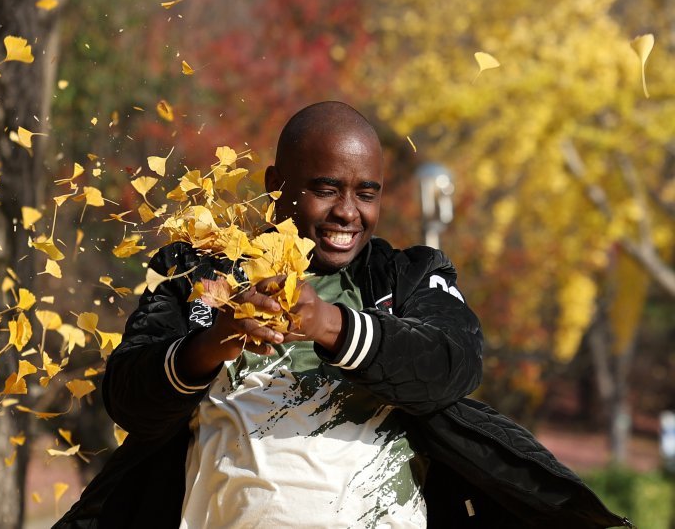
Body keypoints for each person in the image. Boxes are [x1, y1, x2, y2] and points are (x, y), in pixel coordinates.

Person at [56, 102, 626, 528]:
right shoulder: (193, 270)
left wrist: (329, 324)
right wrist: (209, 345)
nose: (347, 213)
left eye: (366, 193)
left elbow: (454, 364)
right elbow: (127, 397)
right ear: (276, 187)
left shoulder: (406, 275)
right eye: (325, 189)